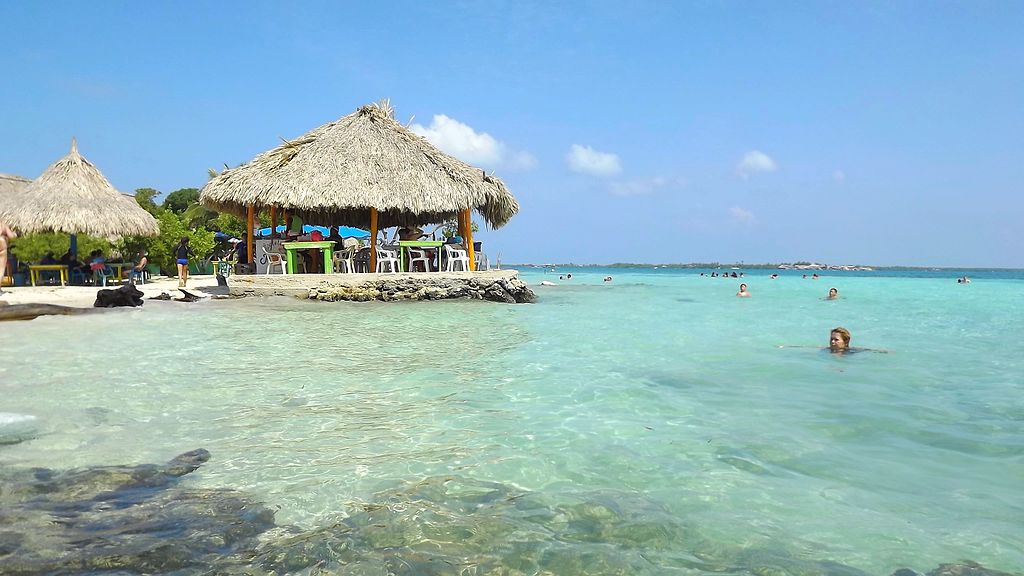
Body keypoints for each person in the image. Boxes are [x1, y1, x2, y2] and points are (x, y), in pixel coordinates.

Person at [0, 222, 16, 292]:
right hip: (1, 242)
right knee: (1, 268)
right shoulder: (2, 225)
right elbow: (11, 236)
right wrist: (15, 234)